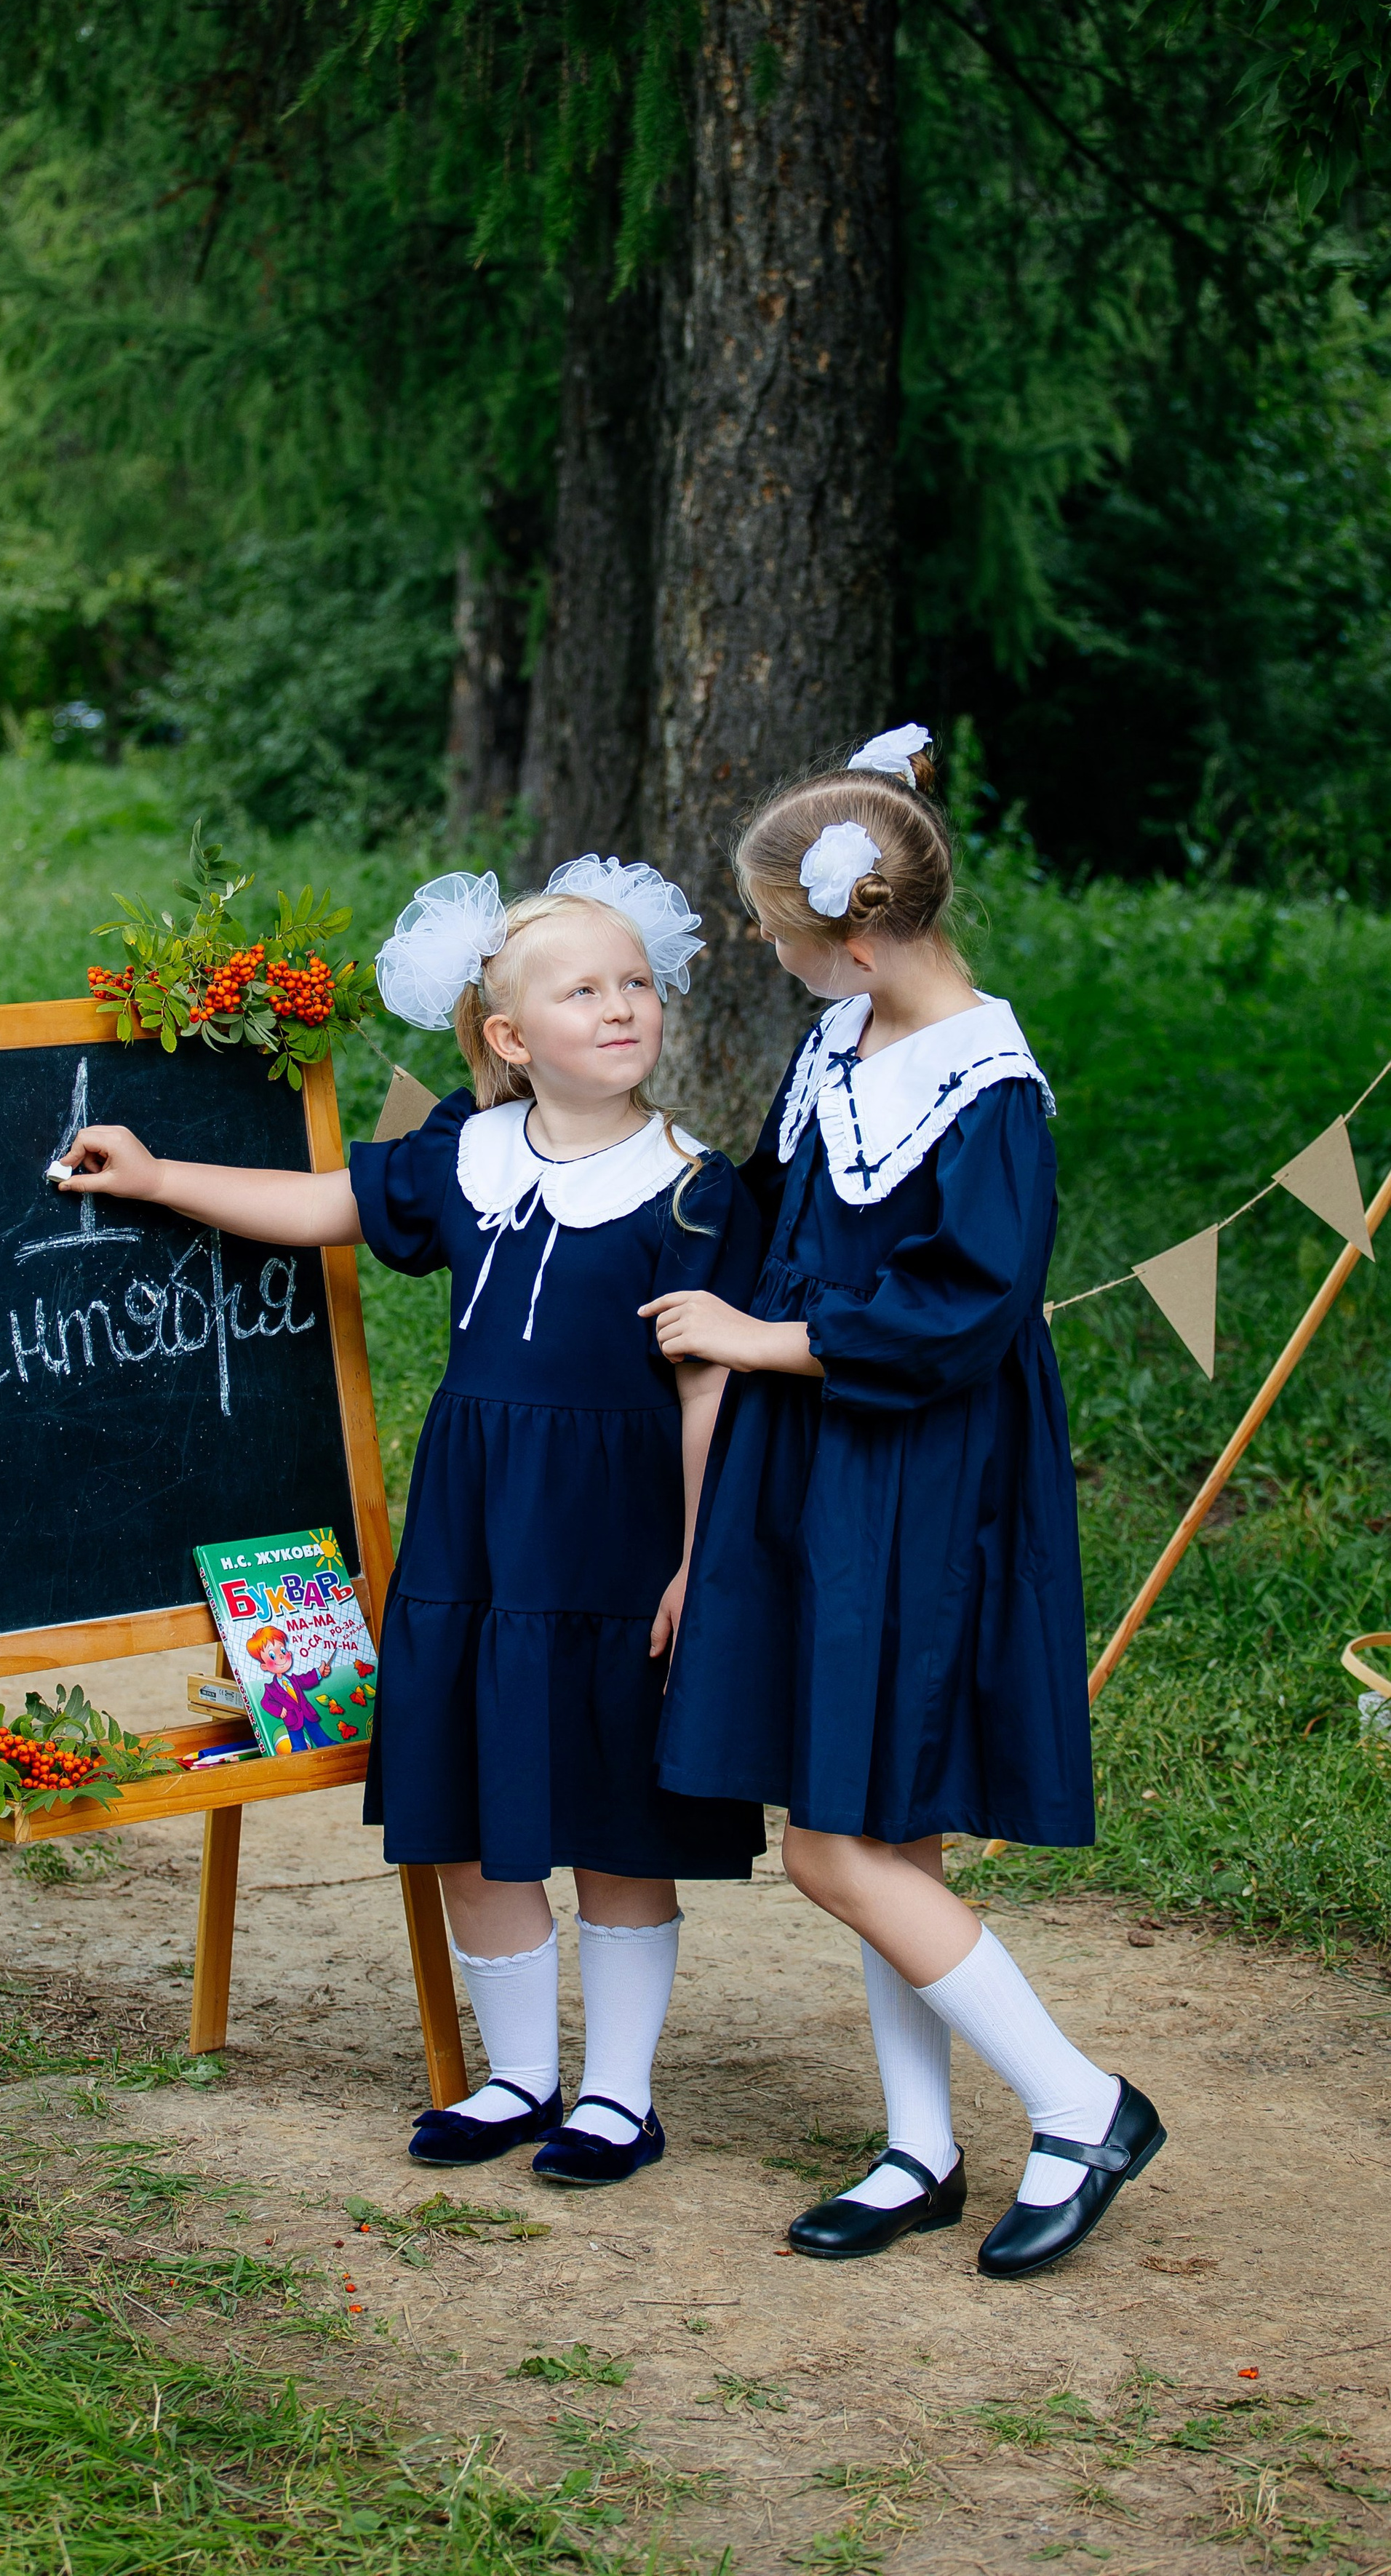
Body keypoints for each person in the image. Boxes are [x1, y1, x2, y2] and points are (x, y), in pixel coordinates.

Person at [58, 856, 765, 2187]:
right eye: (584, 991)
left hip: (617, 1535)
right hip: (479, 1529)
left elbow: (706, 1385)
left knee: (615, 1812)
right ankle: (516, 2076)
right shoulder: (466, 1154)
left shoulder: (693, 1187)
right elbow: (322, 1205)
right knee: (467, 1804)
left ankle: (618, 2094)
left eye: (636, 985)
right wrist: (155, 1177)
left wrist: (693, 1558)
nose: (623, 1008)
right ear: (509, 1037)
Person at [644, 725, 1165, 2280]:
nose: (757, 945)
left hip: (915, 1468)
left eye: (773, 928)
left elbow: (961, 1313)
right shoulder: (846, 1031)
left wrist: (756, 1341)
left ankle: (1082, 2104)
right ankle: (919, 2148)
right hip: (819, 1459)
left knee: (832, 1838)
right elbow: (775, 1202)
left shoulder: (988, 1089)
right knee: (880, 1820)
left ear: (855, 934)